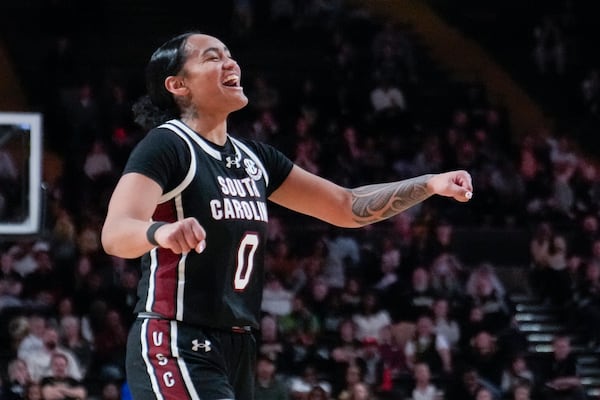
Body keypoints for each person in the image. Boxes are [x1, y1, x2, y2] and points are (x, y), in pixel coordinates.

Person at [100, 31, 474, 400]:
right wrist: (160, 233)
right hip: (176, 337)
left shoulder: (255, 159)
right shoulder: (169, 144)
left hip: (238, 344)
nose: (231, 63)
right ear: (178, 84)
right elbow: (116, 232)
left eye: (230, 55)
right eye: (212, 57)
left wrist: (428, 184)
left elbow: (346, 207)